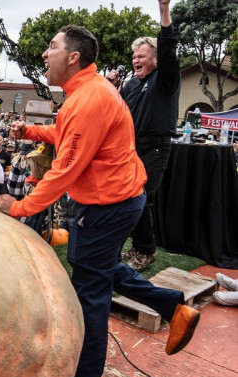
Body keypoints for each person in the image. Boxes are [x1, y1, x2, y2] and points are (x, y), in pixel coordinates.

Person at [0, 25, 199, 377]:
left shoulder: (88, 98)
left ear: (73, 57)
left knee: (90, 288)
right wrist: (35, 133)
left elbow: (65, 169)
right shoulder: (87, 92)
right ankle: (172, 307)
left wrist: (20, 206)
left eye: (52, 47)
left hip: (108, 205)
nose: (45, 53)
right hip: (118, 199)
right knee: (97, 266)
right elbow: (72, 134)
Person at [114, 0, 181, 272]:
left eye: (141, 56)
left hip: (154, 147)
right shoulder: (132, 83)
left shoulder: (165, 78)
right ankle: (139, 245)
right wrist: (110, 87)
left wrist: (163, 10)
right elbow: (116, 110)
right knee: (127, 196)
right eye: (134, 57)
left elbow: (168, 47)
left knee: (140, 196)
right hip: (130, 148)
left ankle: (147, 251)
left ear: (155, 58)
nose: (136, 60)